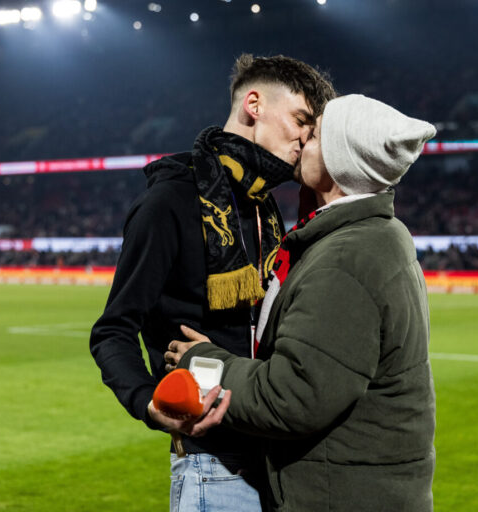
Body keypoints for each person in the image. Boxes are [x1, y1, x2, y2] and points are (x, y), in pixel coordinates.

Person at [166, 94, 438, 511]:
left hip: (340, 497)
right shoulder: (371, 236)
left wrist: (205, 361)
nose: (301, 142)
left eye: (315, 137)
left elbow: (293, 396)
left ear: (338, 159)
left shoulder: (349, 257)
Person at [89, 54, 336, 512]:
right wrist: (148, 403)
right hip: (215, 469)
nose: (305, 137)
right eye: (300, 119)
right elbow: (113, 330)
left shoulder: (263, 205)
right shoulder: (170, 201)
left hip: (277, 463)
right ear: (255, 104)